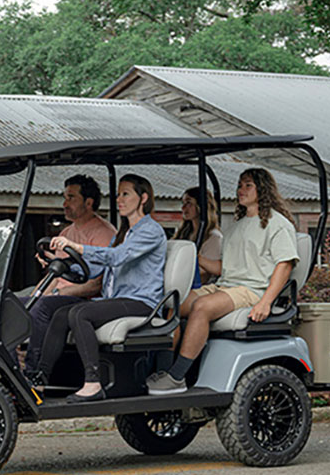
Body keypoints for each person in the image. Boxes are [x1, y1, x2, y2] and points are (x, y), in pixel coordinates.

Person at [146, 168, 299, 395]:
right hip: (227, 285)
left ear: (262, 189)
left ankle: (177, 376)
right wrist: (195, 258)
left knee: (202, 307)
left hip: (253, 289)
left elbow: (284, 265)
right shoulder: (236, 226)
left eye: (248, 185)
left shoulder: (278, 225)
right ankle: (163, 370)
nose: (241, 190)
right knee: (175, 303)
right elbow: (225, 268)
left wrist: (265, 302)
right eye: (239, 185)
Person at [35, 174, 167, 402]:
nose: (119, 199)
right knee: (60, 314)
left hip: (142, 303)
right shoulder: (125, 233)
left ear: (143, 198)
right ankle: (38, 381)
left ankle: (93, 383)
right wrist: (60, 264)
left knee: (80, 313)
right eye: (118, 194)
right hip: (119, 300)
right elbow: (96, 269)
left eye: (126, 194)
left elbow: (116, 257)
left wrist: (78, 246)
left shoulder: (150, 231)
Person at [23, 174, 116, 385]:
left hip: (85, 300)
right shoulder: (66, 232)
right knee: (11, 305)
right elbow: (54, 276)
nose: (64, 204)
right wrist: (31, 299)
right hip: (59, 296)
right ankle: (9, 368)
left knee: (43, 307)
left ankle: (32, 374)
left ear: (89, 202)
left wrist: (56, 295)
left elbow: (97, 283)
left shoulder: (103, 233)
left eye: (71, 198)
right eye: (65, 197)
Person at [176, 187, 222, 285]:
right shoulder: (184, 233)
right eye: (183, 203)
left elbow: (204, 275)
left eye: (189, 203)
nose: (183, 208)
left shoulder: (213, 237)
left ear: (201, 206)